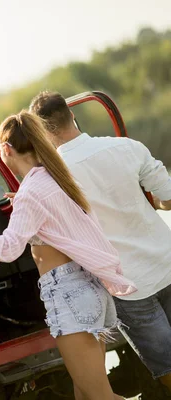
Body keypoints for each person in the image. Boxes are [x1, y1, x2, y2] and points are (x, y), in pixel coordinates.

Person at [0, 110, 135, 400]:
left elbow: (9, 249)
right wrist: (25, 203)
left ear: (7, 149)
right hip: (87, 289)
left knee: (99, 396)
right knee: (86, 395)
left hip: (69, 294)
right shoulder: (54, 178)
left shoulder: (32, 192)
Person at [30, 90, 171, 392]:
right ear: (73, 118)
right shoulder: (126, 148)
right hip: (167, 261)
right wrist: (150, 205)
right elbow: (168, 198)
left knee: (167, 366)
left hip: (129, 288)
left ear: (43, 132)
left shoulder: (51, 180)